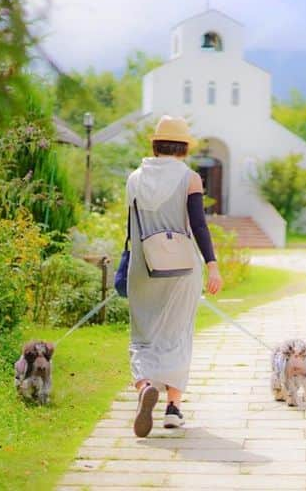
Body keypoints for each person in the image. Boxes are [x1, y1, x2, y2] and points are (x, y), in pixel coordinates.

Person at [126, 115, 223, 437]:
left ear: (155, 144)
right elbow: (198, 225)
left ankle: (143, 387)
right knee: (178, 334)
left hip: (143, 267)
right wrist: (212, 265)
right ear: (183, 147)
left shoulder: (135, 179)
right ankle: (172, 408)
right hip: (181, 269)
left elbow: (131, 230)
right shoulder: (190, 178)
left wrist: (125, 266)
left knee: (143, 335)